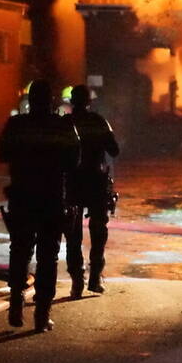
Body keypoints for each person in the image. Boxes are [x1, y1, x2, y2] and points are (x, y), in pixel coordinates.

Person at [0, 80, 81, 331]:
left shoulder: (17, 124)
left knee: (20, 250)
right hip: (51, 198)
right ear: (51, 100)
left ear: (30, 100)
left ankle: (15, 302)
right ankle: (42, 315)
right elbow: (74, 161)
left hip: (22, 196)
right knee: (48, 256)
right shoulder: (63, 126)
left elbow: (1, 154)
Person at [64, 85, 120, 297]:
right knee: (98, 232)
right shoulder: (98, 121)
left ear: (72, 101)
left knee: (72, 234)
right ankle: (95, 279)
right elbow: (114, 150)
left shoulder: (66, 123)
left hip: (72, 183)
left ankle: (77, 282)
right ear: (88, 101)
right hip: (96, 182)